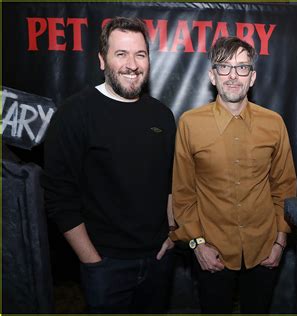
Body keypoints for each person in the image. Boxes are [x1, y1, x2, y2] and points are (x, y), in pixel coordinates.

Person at [42, 17, 176, 313]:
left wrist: (171, 234)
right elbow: (58, 196)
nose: (132, 64)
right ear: (102, 60)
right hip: (105, 266)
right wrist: (92, 260)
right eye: (121, 54)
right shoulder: (74, 114)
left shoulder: (162, 116)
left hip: (158, 260)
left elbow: (168, 183)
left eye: (140, 54)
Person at [171, 36, 297, 313]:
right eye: (224, 67)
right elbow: (183, 193)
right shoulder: (190, 124)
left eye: (242, 68)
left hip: (264, 249)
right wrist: (197, 244)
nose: (233, 76)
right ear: (212, 76)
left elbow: (284, 187)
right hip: (211, 251)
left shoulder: (274, 123)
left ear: (252, 77)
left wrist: (280, 240)